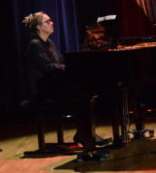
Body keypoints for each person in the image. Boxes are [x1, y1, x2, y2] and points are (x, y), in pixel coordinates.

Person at [22, 11, 104, 152]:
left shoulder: (49, 43)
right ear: (39, 27)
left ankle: (86, 134)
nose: (52, 23)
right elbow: (49, 67)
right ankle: (84, 135)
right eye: (48, 21)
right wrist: (68, 68)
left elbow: (61, 61)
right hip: (43, 91)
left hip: (53, 86)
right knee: (81, 97)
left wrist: (73, 66)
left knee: (86, 94)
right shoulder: (34, 44)